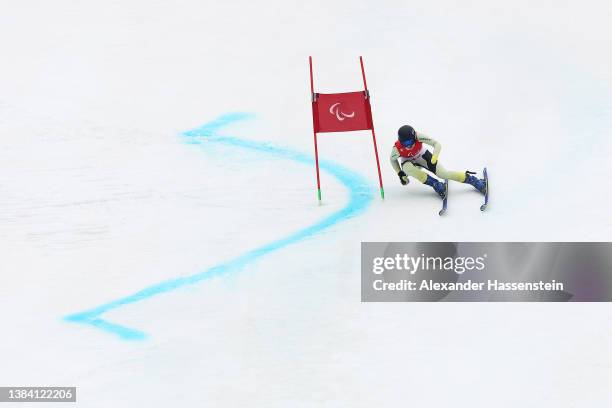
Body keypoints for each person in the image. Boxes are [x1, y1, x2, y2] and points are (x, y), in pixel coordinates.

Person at [390, 125, 486, 198]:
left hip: (422, 156)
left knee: (443, 174)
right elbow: (392, 160)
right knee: (407, 168)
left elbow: (436, 144)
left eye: (410, 141)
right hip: (408, 162)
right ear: (400, 141)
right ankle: (436, 184)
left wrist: (434, 157)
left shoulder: (418, 136)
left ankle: (474, 180)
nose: (408, 145)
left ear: (414, 137)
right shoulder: (397, 148)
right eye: (405, 143)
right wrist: (400, 173)